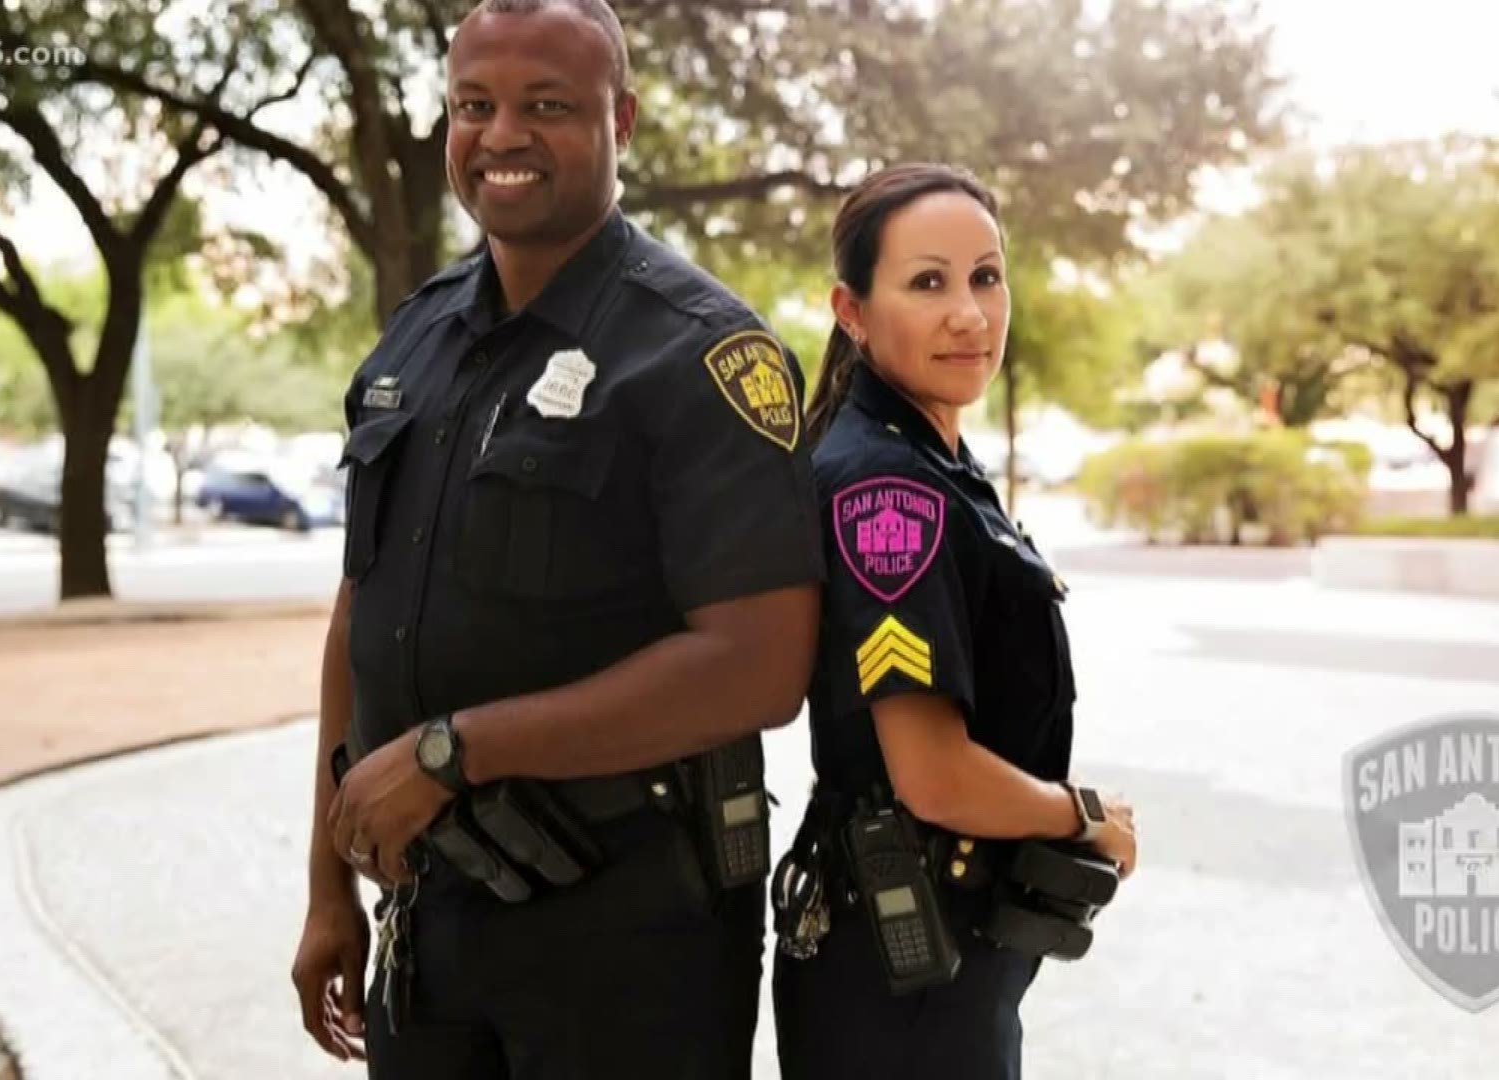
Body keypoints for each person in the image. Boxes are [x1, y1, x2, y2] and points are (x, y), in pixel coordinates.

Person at [287, 2, 824, 1077]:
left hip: (630, 941)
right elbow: (365, 612)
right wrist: (325, 887)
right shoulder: (415, 340)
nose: (501, 136)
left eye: (547, 106)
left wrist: (454, 751)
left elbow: (760, 669)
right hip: (429, 922)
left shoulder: (701, 354)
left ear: (621, 119)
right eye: (473, 106)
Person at [770, 164, 1139, 1080]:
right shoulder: (885, 487)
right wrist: (1082, 815)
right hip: (905, 974)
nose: (970, 313)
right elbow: (930, 774)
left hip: (928, 949)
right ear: (850, 311)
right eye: (927, 282)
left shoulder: (933, 458)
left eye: (986, 275)